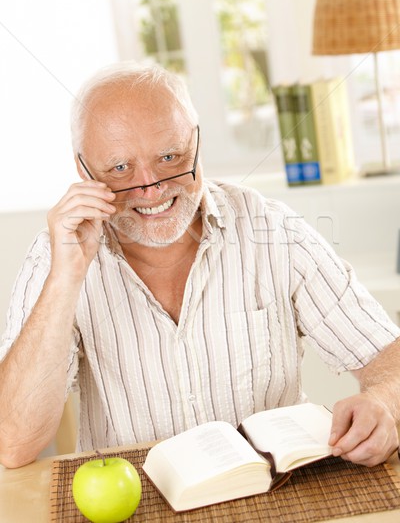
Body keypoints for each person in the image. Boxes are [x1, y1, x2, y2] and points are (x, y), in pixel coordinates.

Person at [1, 62, 399, 470]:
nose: (152, 187)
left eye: (170, 157)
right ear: (83, 170)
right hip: (139, 501)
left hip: (276, 492)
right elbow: (13, 443)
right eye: (120, 168)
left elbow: (389, 357)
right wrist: (65, 280)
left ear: (197, 143)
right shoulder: (55, 256)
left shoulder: (273, 230)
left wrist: (382, 402)